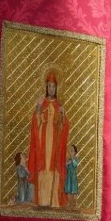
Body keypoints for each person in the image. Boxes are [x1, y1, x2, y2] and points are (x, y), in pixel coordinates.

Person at [28, 71, 70, 208]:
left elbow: (65, 124)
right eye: (49, 86)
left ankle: (54, 201)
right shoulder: (42, 103)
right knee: (44, 164)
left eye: (53, 86)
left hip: (55, 137)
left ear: (56, 88)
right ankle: (43, 200)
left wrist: (62, 115)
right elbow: (36, 120)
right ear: (46, 87)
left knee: (53, 165)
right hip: (43, 136)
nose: (51, 89)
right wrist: (38, 108)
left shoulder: (59, 105)